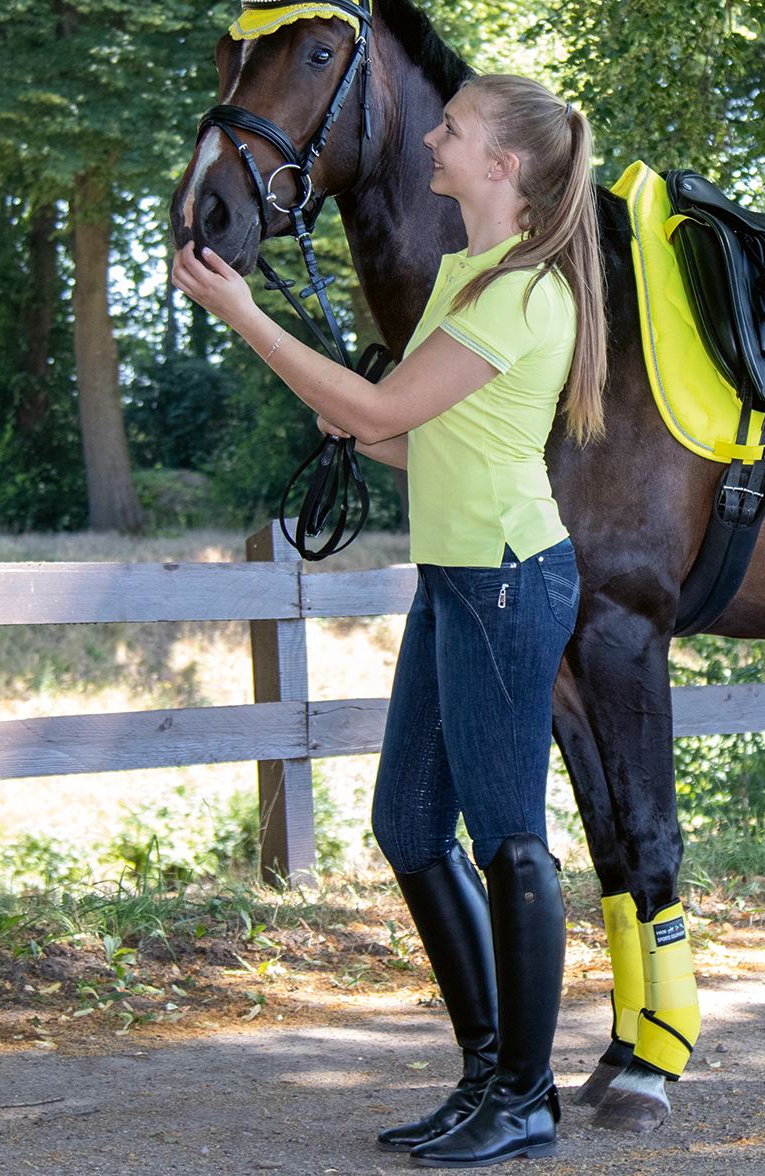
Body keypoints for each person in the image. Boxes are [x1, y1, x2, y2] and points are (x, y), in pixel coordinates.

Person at [173, 71, 608, 1167]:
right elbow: (402, 435)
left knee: (512, 839)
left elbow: (377, 408)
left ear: (500, 167)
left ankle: (527, 1096)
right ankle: (485, 1078)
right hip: (459, 576)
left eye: (452, 129)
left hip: (509, 580)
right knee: (411, 828)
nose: (431, 135)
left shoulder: (523, 292)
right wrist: (337, 412)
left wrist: (247, 315)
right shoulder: (468, 273)